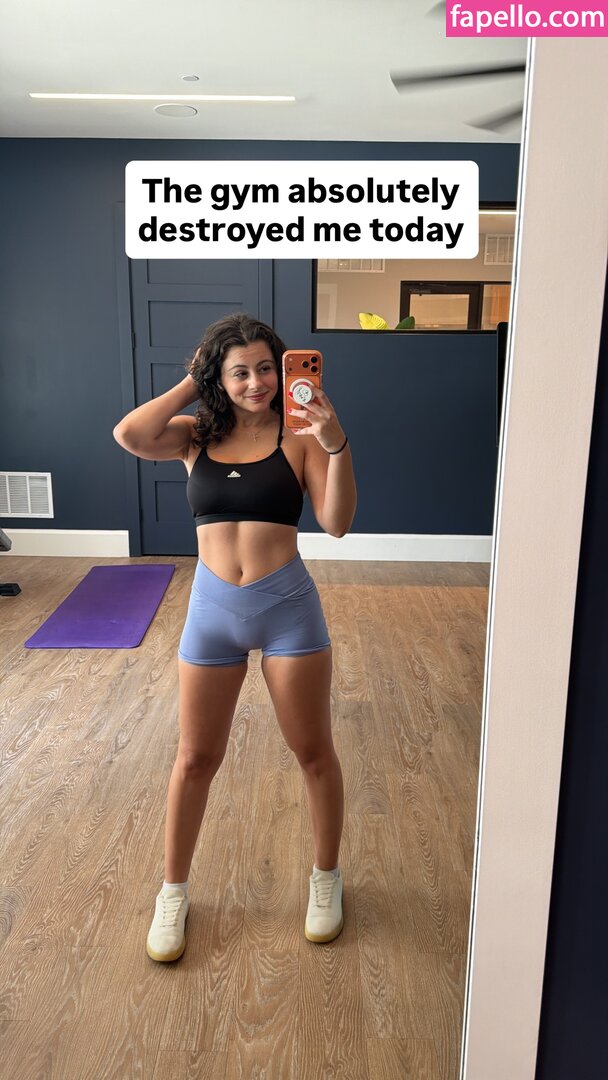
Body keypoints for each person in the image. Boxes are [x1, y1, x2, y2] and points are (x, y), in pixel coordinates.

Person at [113, 312, 356, 962]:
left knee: (314, 753)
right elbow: (130, 434)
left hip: (288, 610)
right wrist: (192, 381)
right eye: (239, 371)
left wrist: (335, 444)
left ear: (282, 370)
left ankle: (326, 878)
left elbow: (336, 523)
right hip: (212, 611)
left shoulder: (302, 435)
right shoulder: (196, 434)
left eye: (266, 368)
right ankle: (172, 893)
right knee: (194, 759)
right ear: (217, 378)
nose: (256, 382)